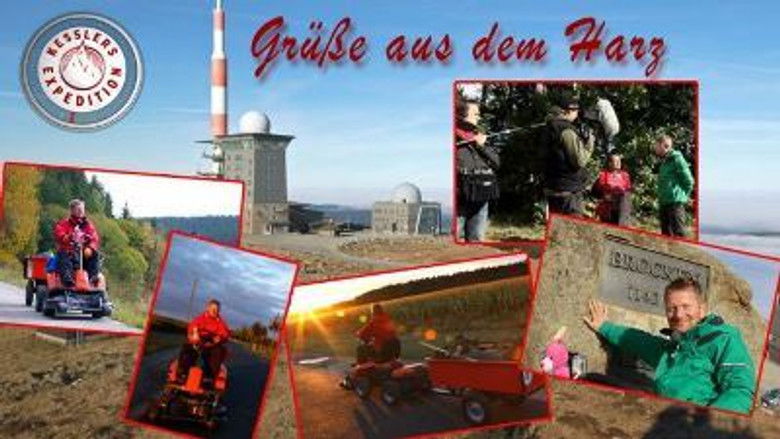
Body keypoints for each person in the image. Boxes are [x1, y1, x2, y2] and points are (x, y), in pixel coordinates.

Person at [583, 278, 755, 413]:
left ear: (702, 309)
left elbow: (740, 391)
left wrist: (706, 426)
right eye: (671, 308)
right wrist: (604, 327)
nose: (678, 314)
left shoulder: (724, 339)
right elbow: (637, 340)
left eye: (686, 306)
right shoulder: (674, 347)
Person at [543, 93, 596, 216]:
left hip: (552, 187)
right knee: (572, 226)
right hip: (568, 191)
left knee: (556, 226)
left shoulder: (549, 127)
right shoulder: (566, 130)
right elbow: (579, 161)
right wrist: (590, 143)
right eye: (576, 110)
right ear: (568, 111)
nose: (577, 114)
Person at [455, 96, 500, 242]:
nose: (479, 117)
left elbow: (497, 162)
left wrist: (482, 146)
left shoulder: (479, 136)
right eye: (475, 114)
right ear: (462, 115)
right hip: (460, 197)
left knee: (476, 241)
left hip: (481, 195)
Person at [177, 299, 231, 385]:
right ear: (208, 308)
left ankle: (209, 377)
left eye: (216, 309)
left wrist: (220, 338)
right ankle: (182, 374)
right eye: (213, 309)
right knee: (187, 349)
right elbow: (192, 327)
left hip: (211, 345)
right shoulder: (200, 319)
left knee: (218, 351)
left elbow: (226, 334)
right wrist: (194, 335)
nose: (214, 311)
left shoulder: (220, 322)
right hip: (198, 342)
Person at [53, 199, 101, 287]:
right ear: (72, 210)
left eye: (82, 209)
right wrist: (70, 237)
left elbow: (95, 238)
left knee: (95, 254)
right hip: (69, 251)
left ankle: (93, 277)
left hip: (83, 252)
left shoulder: (88, 225)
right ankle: (67, 280)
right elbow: (59, 235)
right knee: (63, 255)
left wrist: (90, 247)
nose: (81, 211)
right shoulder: (63, 224)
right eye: (78, 209)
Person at [654, 134, 694, 237]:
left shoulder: (677, 159)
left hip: (675, 204)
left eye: (656, 145)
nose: (655, 148)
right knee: (666, 235)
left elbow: (689, 181)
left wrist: (683, 197)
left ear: (664, 145)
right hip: (664, 202)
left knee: (678, 234)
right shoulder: (665, 161)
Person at [592, 154, 632, 225]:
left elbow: (628, 191)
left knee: (625, 198)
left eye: (619, 161)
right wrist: (605, 195)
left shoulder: (625, 176)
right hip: (608, 205)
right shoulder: (603, 175)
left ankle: (622, 224)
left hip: (621, 205)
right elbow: (598, 191)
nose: (618, 163)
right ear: (610, 163)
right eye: (616, 161)